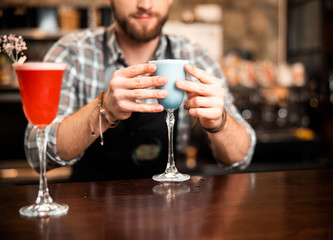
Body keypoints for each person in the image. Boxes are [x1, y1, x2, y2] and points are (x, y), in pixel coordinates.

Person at [24, 0, 256, 181]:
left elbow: (240, 158)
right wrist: (104, 109)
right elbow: (37, 153)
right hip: (92, 214)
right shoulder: (73, 52)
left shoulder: (196, 56)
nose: (145, 4)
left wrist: (219, 121)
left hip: (174, 214)